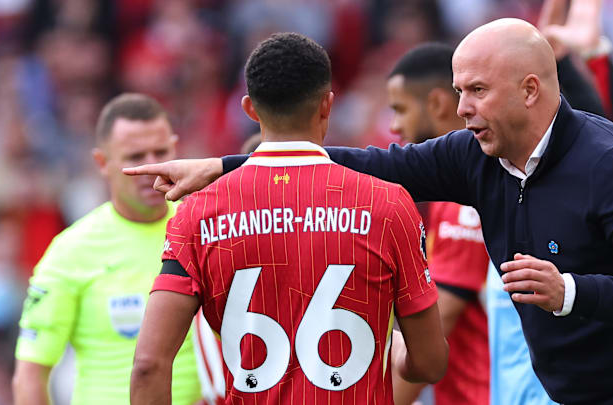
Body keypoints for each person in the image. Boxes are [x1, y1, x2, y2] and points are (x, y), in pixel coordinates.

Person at [126, 20, 613, 405]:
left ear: (531, 90)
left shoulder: (609, 164)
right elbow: (375, 164)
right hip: (570, 395)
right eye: (459, 91)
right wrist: (228, 166)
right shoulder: (476, 155)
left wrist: (571, 292)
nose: (460, 108)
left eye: (476, 91)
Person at [129, 32, 448, 405]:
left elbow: (149, 363)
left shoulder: (198, 213)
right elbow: (429, 363)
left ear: (250, 109)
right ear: (327, 105)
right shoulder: (389, 205)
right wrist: (398, 357)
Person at [12, 94, 203, 405]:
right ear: (102, 162)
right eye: (135, 157)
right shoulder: (71, 250)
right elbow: (31, 372)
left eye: (161, 152)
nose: (152, 169)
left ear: (175, 147)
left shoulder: (203, 229)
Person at [385, 43, 490, 405]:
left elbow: (440, 320)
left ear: (437, 104)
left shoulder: (463, 199)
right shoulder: (457, 189)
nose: (394, 126)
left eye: (400, 109)